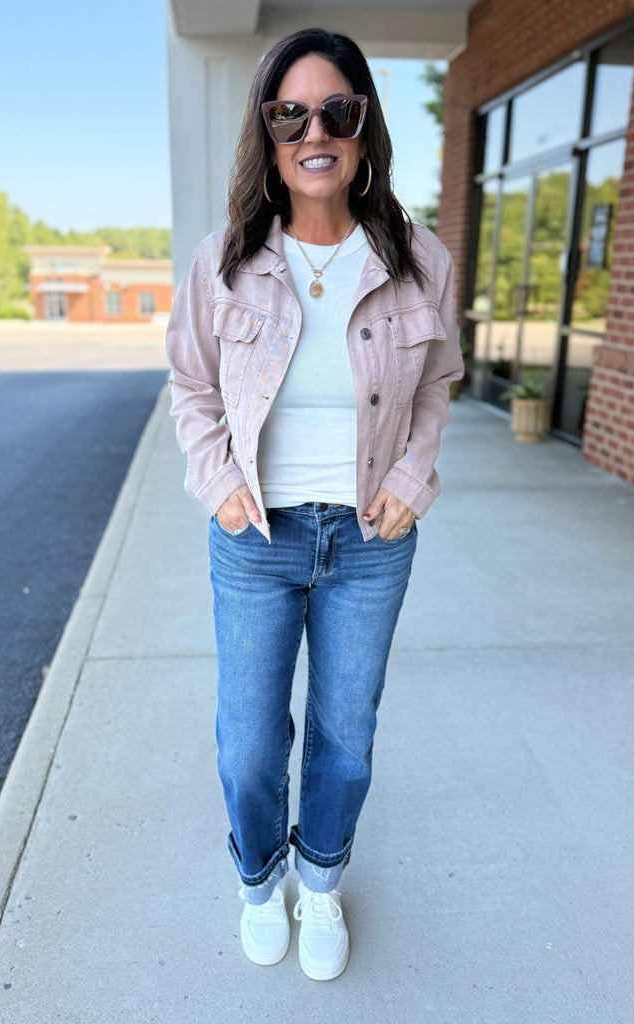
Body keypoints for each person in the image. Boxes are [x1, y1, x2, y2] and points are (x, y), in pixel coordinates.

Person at [166, 26, 463, 981]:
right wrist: (218, 487)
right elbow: (191, 388)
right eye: (290, 114)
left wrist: (411, 482)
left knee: (345, 738)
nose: (314, 132)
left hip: (370, 540)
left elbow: (435, 387)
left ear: (365, 124)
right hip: (257, 535)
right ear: (267, 132)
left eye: (336, 110)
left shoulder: (419, 259)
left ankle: (321, 883)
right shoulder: (225, 260)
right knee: (250, 745)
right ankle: (260, 881)